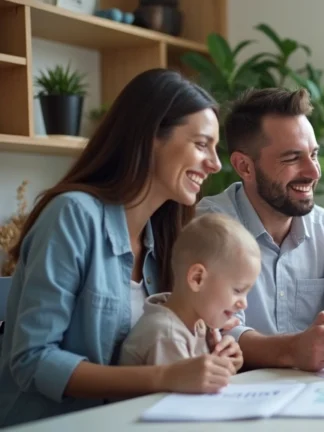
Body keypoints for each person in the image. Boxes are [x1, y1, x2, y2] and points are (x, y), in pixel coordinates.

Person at [0, 69, 238, 427]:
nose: (215, 163)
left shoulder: (166, 236)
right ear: (150, 137)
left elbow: (155, 341)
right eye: (202, 144)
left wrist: (209, 353)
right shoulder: (72, 215)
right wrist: (167, 377)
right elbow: (33, 360)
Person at [197, 88, 324, 372]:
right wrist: (293, 350)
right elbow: (214, 332)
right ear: (244, 166)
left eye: (314, 154)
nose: (313, 172)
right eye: (292, 158)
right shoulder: (207, 228)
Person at [119, 213, 262, 374]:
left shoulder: (196, 324)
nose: (244, 304)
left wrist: (224, 362)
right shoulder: (167, 336)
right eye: (237, 290)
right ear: (197, 278)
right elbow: (184, 397)